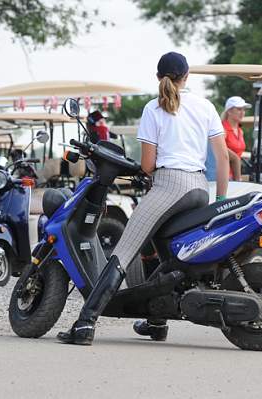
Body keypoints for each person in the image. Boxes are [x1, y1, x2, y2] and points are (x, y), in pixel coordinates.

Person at [57, 51, 230, 345]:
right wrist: (220, 201)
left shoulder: (154, 108)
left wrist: (146, 171)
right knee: (167, 253)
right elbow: (223, 157)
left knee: (123, 251)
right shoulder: (205, 106)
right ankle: (156, 321)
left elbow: (148, 165)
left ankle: (85, 324)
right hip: (200, 189)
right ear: (187, 77)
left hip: (169, 186)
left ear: (158, 78)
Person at [221, 96, 251, 180]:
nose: (242, 113)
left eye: (243, 109)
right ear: (229, 111)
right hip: (224, 176)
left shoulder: (240, 131)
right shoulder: (222, 129)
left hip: (235, 175)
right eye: (239, 109)